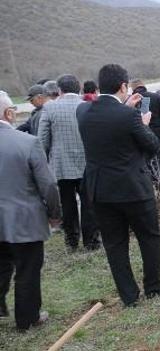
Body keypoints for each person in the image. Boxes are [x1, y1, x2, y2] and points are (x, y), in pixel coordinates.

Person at [76, 64, 160, 307]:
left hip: (101, 191)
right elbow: (152, 146)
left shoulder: (83, 112)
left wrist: (127, 110)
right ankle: (153, 286)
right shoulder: (130, 116)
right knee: (149, 237)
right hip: (133, 189)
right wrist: (142, 122)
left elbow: (110, 128)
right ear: (123, 86)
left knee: (114, 244)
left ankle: (129, 296)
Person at [0, 90, 61, 330]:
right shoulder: (27, 142)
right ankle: (28, 318)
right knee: (27, 269)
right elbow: (48, 184)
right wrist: (55, 215)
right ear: (8, 112)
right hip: (24, 220)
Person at [37, 74, 100, 252]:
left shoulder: (50, 108)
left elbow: (42, 140)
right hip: (87, 162)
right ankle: (92, 241)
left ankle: (71, 241)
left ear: (59, 90)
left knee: (67, 203)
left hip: (61, 165)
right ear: (79, 88)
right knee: (89, 203)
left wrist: (45, 160)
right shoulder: (88, 106)